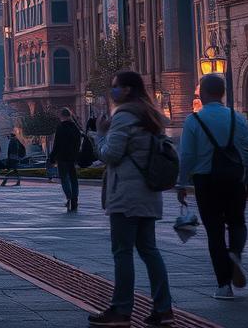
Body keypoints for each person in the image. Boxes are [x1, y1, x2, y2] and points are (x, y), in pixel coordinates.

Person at [89, 70, 173, 327]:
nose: (112, 91)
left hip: (126, 193)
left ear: (127, 90)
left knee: (122, 252)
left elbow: (111, 154)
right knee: (149, 250)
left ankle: (121, 310)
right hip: (148, 193)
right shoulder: (151, 116)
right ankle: (163, 309)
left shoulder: (124, 115)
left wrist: (101, 133)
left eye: (115, 87)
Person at [177, 73, 248, 300]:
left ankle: (224, 286)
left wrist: (181, 183)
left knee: (214, 232)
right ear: (223, 94)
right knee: (237, 222)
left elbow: (187, 156)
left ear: (202, 94)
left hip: (206, 181)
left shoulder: (193, 120)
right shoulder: (237, 118)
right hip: (234, 179)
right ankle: (236, 254)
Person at [51, 108, 83, 212]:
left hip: (62, 157)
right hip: (72, 158)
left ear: (61, 115)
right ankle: (75, 200)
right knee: (74, 179)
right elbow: (78, 144)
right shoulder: (75, 127)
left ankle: (69, 198)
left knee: (64, 178)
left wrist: (52, 157)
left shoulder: (61, 127)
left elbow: (57, 144)